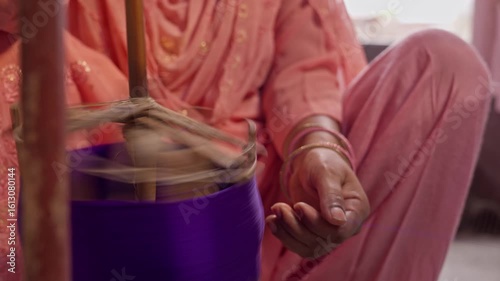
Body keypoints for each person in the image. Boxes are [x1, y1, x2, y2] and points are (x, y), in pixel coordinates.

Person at [0, 1, 491, 280]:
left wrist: (316, 149)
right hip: (98, 225)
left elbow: (303, 65)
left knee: (446, 67)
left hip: (261, 221)